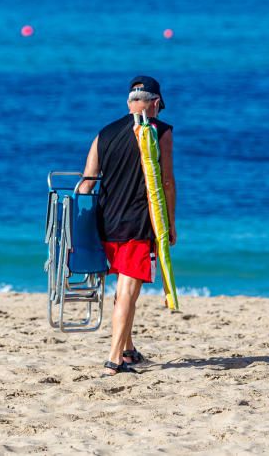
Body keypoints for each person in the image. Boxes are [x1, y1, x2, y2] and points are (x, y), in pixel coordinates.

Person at [77, 76, 177, 376]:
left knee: (123, 292)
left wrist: (76, 225)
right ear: (156, 103)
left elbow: (86, 183)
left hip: (106, 222)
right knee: (127, 293)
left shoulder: (103, 134)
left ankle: (129, 350)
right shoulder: (160, 131)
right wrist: (170, 224)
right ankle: (114, 359)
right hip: (138, 223)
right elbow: (167, 182)